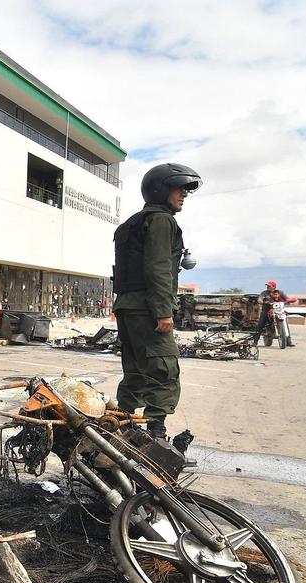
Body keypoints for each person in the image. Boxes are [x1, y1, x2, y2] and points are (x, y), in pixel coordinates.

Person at [111, 163, 202, 439]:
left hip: (127, 307)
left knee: (136, 372)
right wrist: (163, 312)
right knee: (163, 370)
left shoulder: (130, 224)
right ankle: (155, 437)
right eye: (179, 188)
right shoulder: (161, 220)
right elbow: (159, 267)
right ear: (160, 189)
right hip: (146, 310)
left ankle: (121, 430)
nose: (184, 194)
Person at [257, 280, 296, 347]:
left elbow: (287, 298)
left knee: (285, 322)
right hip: (267, 310)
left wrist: (290, 300)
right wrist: (262, 302)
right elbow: (260, 299)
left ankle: (288, 341)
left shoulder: (280, 292)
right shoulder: (264, 293)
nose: (268, 287)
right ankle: (255, 341)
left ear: (274, 287)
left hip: (279, 310)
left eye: (269, 286)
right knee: (260, 324)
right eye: (267, 286)